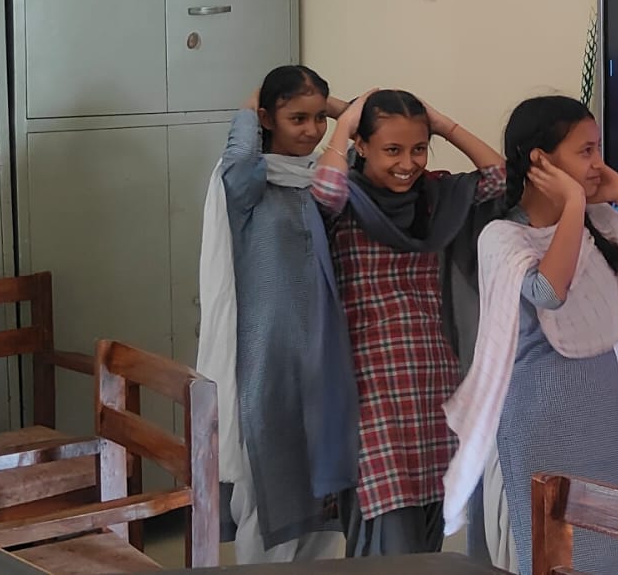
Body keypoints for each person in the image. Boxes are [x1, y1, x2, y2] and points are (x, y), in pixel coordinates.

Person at [440, 96, 618, 574]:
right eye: (586, 151)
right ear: (541, 161)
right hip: (540, 421)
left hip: (605, 416)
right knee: (556, 552)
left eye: (598, 149)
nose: (598, 163)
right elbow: (549, 292)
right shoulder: (501, 236)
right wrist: (575, 202)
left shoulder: (603, 225)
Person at [311, 89, 506, 556]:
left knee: (429, 533)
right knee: (386, 536)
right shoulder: (348, 202)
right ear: (361, 146)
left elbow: (501, 179)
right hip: (369, 389)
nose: (408, 163)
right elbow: (325, 193)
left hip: (433, 383)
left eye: (419, 148)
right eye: (392, 150)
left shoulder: (435, 199)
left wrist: (442, 123)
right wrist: (345, 123)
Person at [197, 65, 355, 563]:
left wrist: (331, 107)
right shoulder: (247, 182)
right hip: (265, 359)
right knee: (268, 486)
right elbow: (241, 150)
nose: (312, 130)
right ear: (267, 118)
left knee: (324, 484)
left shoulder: (323, 180)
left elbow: (365, 132)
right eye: (296, 118)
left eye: (319, 118)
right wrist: (253, 104)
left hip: (321, 355)